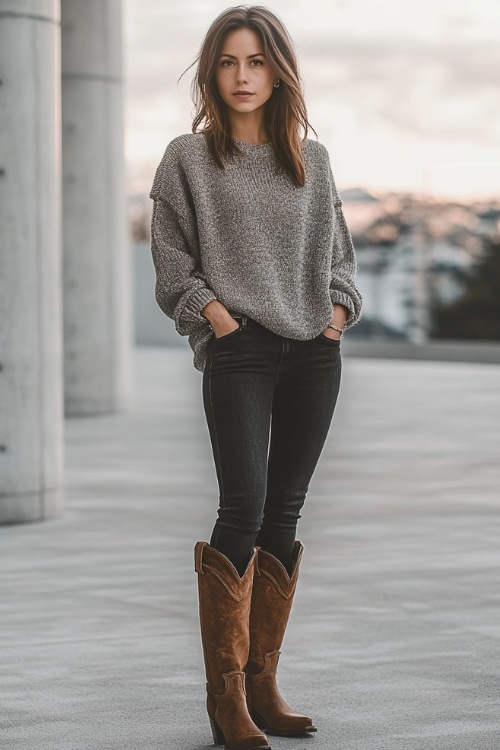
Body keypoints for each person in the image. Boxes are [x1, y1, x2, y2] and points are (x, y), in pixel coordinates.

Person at [149, 6, 362, 749]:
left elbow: (341, 255)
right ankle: (226, 697)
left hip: (313, 351)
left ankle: (265, 685)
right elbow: (173, 262)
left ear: (279, 71)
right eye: (230, 62)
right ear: (212, 72)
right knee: (242, 506)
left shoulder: (314, 158)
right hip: (238, 350)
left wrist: (336, 314)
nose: (244, 77)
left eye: (258, 62)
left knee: (286, 512)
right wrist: (216, 316)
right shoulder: (187, 158)